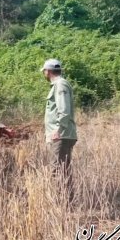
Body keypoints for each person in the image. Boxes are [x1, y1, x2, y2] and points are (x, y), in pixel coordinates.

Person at [41, 58, 78, 199]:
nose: (44, 73)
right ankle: (67, 202)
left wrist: (58, 129)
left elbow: (64, 110)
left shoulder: (60, 85)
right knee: (63, 169)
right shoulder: (58, 85)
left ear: (48, 71)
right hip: (62, 134)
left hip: (61, 135)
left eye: (44, 71)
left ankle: (61, 203)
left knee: (57, 170)